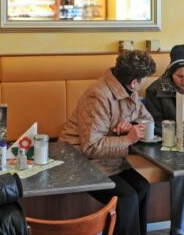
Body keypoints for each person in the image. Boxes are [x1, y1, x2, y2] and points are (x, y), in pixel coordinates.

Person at [58, 50, 156, 235]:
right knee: (126, 197)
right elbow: (91, 147)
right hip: (79, 161)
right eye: (142, 80)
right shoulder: (98, 96)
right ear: (134, 82)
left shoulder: (127, 90)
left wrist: (132, 125)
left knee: (143, 188)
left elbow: (147, 119)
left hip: (111, 160)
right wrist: (127, 139)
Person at [146, 44, 184, 235]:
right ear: (171, 72)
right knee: (181, 173)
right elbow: (155, 125)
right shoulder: (155, 90)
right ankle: (177, 228)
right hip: (167, 145)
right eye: (181, 76)